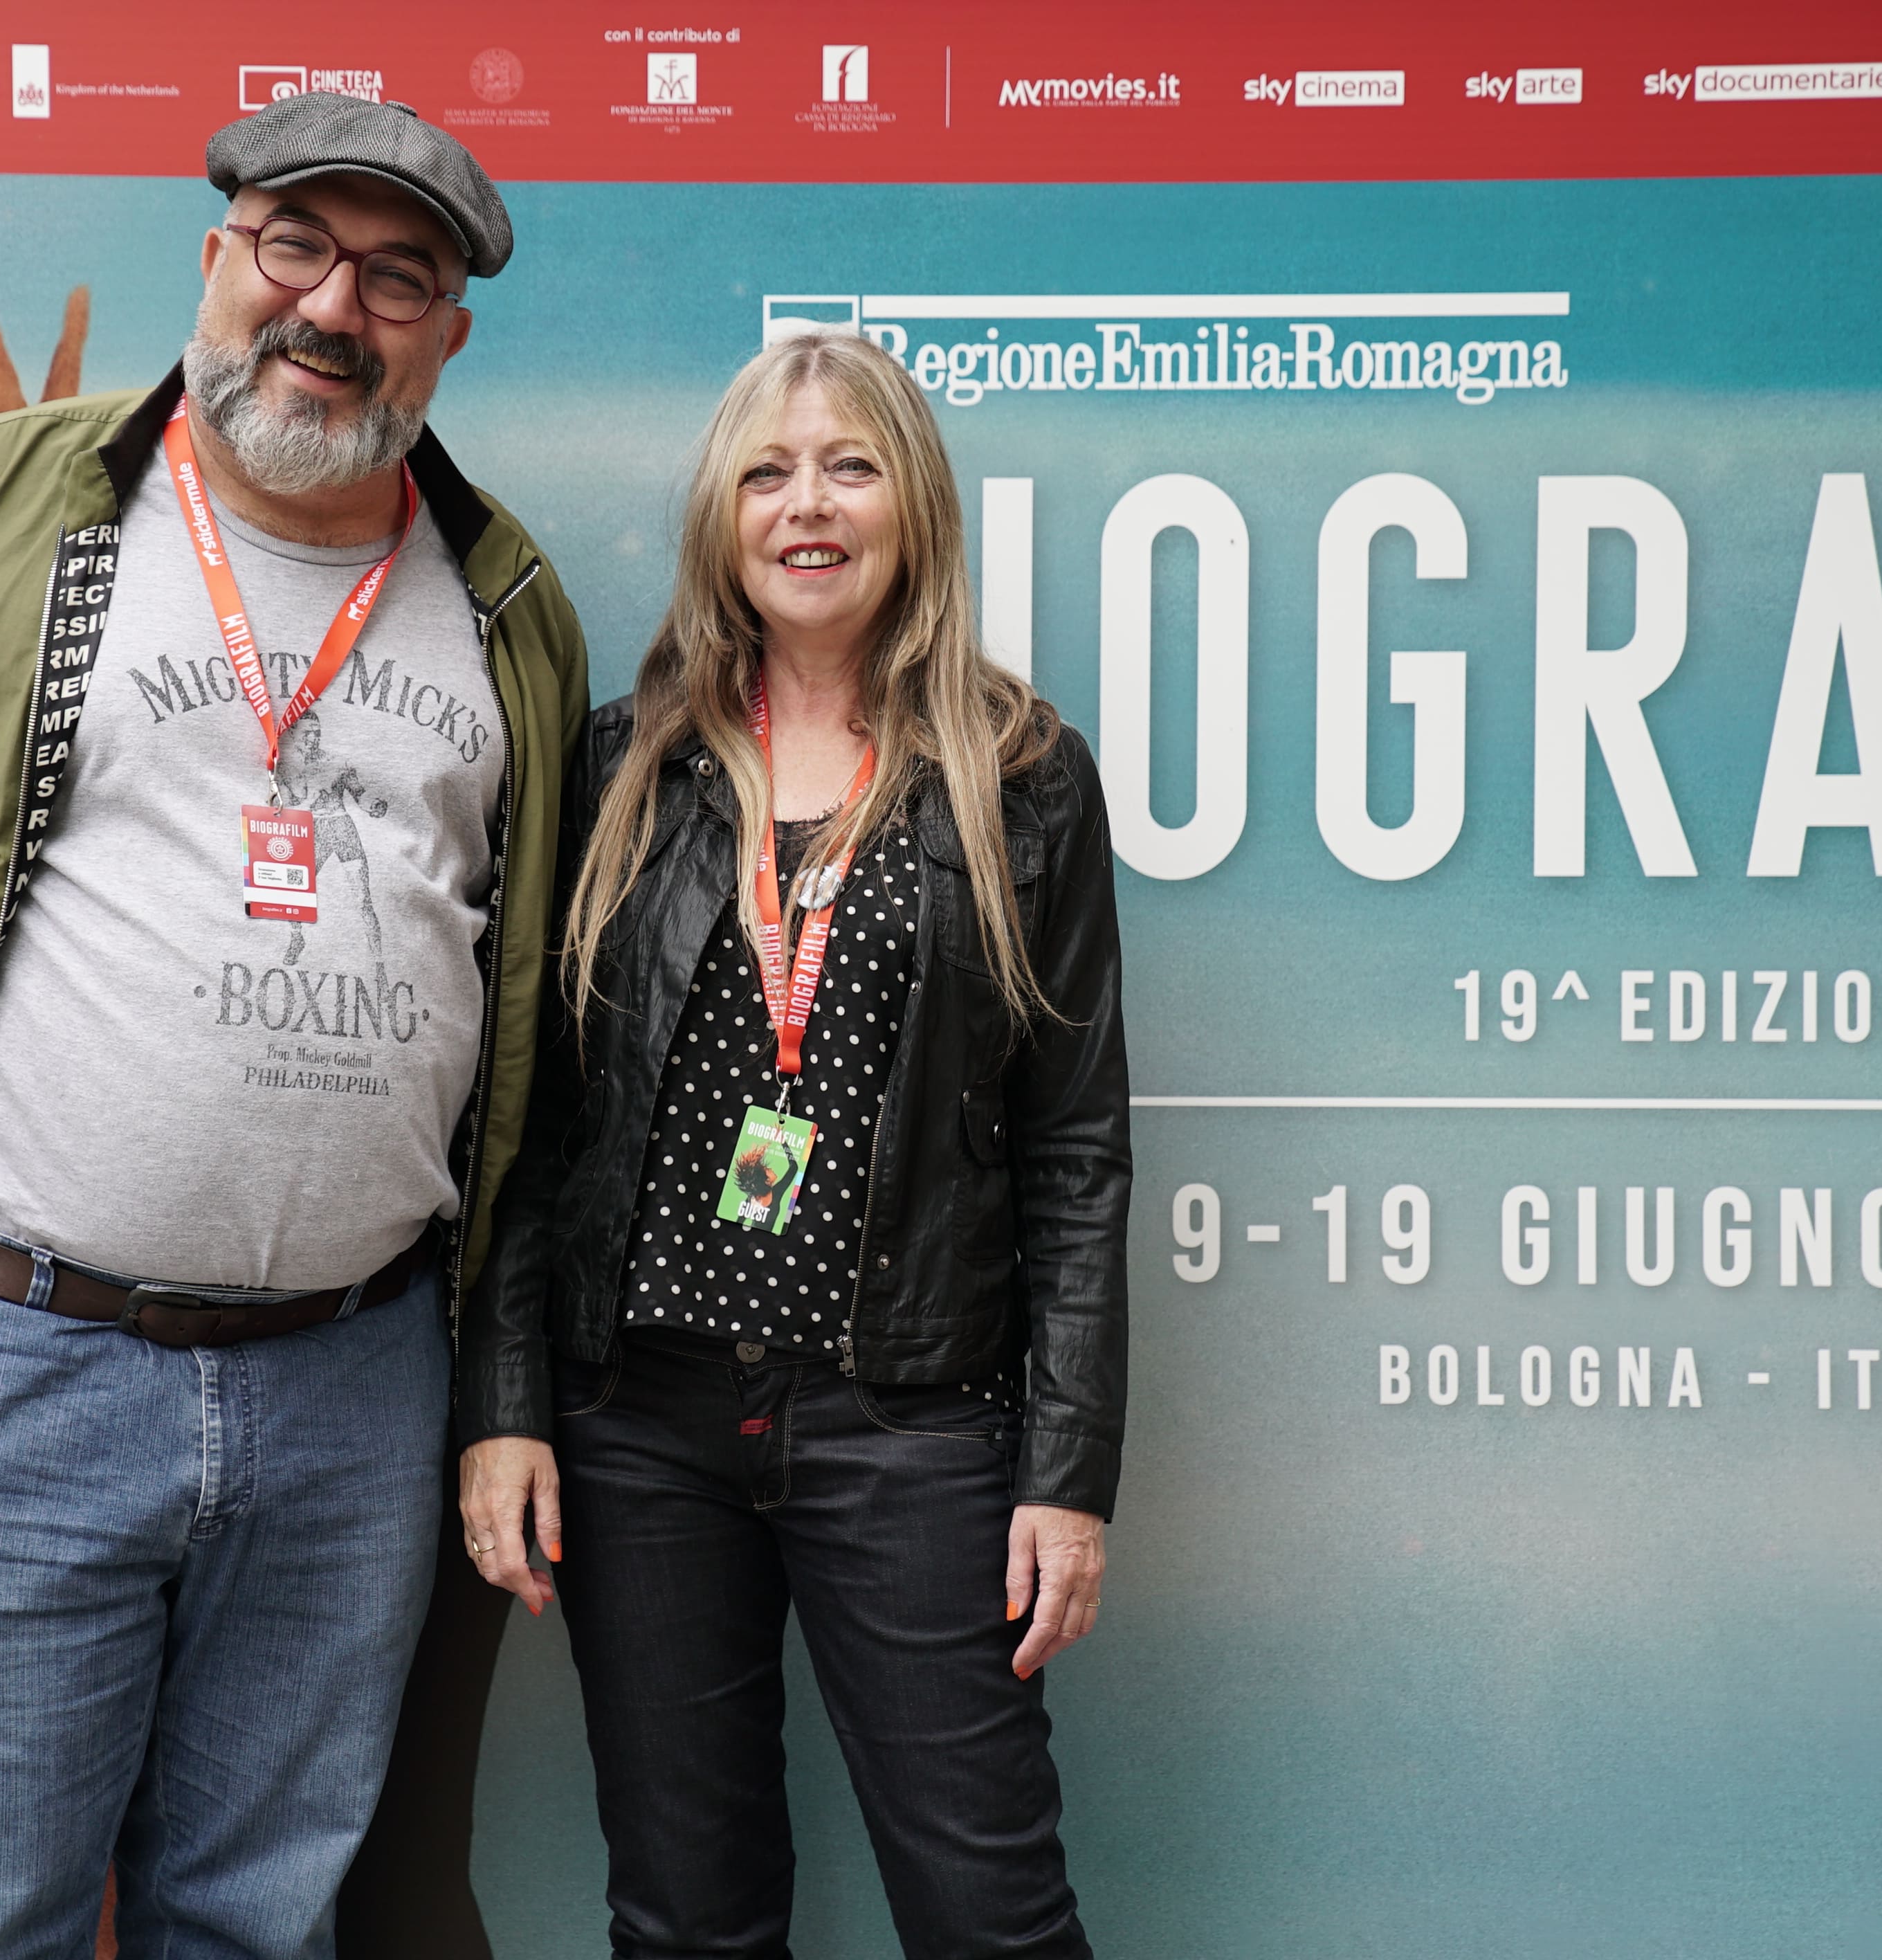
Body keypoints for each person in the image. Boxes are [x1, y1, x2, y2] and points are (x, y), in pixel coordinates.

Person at [0, 91, 586, 1960]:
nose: (331, 307)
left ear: (446, 334)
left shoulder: (506, 605)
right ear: (216, 257)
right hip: (16, 1364)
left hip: (354, 1393)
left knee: (256, 1926)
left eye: (396, 276)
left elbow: (511, 981)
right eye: (296, 246)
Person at [457, 329, 1130, 1958]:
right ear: (720, 517)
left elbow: (1074, 1152)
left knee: (989, 1919)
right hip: (640, 1427)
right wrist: (507, 1406)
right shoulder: (621, 766)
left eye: (847, 466)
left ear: (914, 506)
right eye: (765, 472)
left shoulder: (1021, 778)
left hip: (906, 1424)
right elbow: (531, 1125)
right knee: (685, 1920)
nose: (804, 505)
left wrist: (1064, 1477)